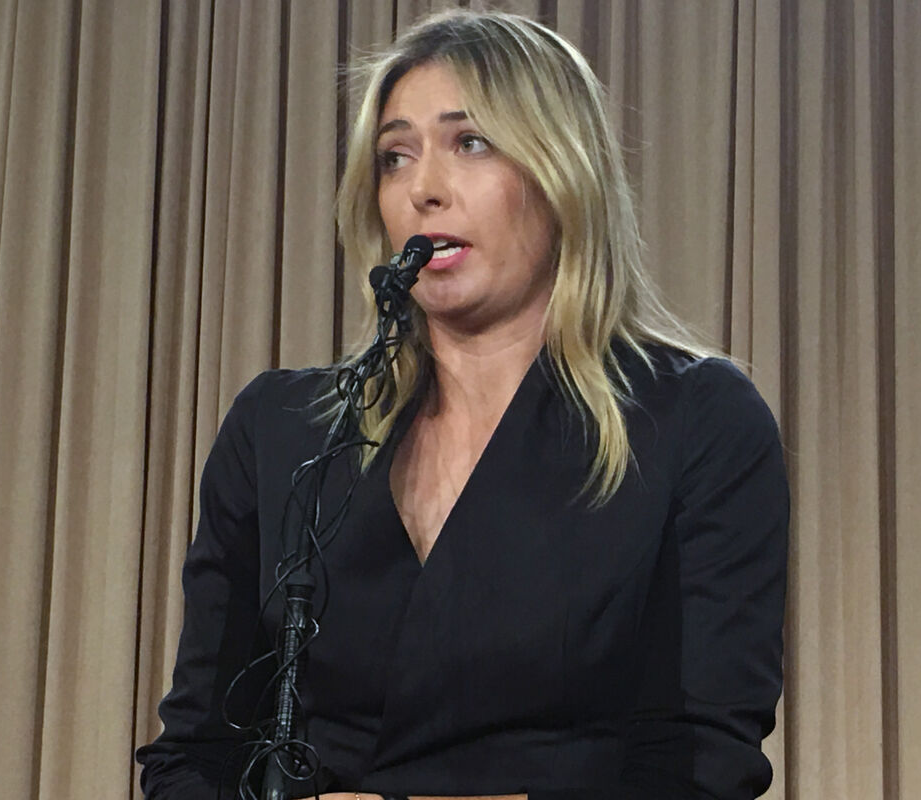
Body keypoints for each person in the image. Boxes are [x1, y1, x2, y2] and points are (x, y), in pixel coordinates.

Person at [136, 9, 788, 800]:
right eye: (395, 157)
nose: (424, 189)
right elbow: (192, 759)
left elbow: (701, 769)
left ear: (562, 171)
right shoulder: (283, 431)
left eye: (470, 143)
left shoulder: (694, 419)